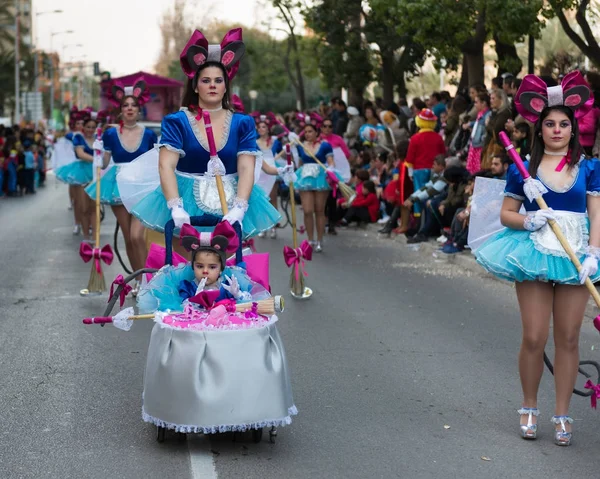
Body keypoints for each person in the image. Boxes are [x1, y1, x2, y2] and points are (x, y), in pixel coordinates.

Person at [475, 72, 600, 446]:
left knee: (569, 337)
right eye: (550, 124)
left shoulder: (591, 167)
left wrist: (594, 252)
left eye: (564, 124)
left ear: (574, 128)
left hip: (576, 255)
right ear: (539, 127)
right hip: (533, 253)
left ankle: (563, 413)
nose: (557, 130)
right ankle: (529, 405)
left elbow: (597, 213)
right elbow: (506, 215)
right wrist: (530, 218)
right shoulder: (521, 168)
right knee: (534, 336)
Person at [125, 28, 281, 245]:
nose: (213, 85)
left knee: (225, 269)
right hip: (186, 201)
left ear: (226, 86)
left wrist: (239, 207)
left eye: (218, 80)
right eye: (206, 80)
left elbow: (246, 167)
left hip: (231, 201)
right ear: (196, 86)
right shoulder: (177, 121)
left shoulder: (242, 122)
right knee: (189, 268)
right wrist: (175, 206)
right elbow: (166, 166)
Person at [86, 79, 158, 282]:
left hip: (142, 187)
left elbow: (155, 162)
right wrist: (99, 152)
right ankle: (137, 280)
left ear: (139, 109)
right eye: (125, 105)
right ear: (120, 109)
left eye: (133, 105)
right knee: (128, 236)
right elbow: (105, 162)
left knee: (137, 236)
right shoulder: (110, 133)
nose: (129, 109)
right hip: (118, 185)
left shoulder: (149, 134)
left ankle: (146, 280)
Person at [293, 122, 341, 252]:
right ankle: (310, 239)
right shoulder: (301, 146)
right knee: (308, 210)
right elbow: (300, 162)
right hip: (305, 177)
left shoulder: (325, 145)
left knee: (320, 210)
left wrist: (331, 169)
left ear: (316, 132)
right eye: (306, 132)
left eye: (310, 131)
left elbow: (331, 161)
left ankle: (319, 239)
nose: (307, 134)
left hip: (320, 177)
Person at [55, 112, 97, 242]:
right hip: (81, 174)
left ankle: (95, 237)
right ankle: (85, 235)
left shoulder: (99, 139)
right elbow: (80, 154)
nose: (90, 129)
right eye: (88, 127)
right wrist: (97, 159)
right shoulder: (78, 137)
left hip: (96, 174)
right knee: (83, 207)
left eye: (92, 127)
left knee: (94, 208)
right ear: (83, 127)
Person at [404, 108, 447, 216]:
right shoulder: (438, 138)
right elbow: (443, 154)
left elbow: (410, 158)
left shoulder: (415, 138)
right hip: (435, 169)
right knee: (432, 193)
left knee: (419, 192)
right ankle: (429, 215)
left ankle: (419, 216)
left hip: (419, 170)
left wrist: (410, 173)